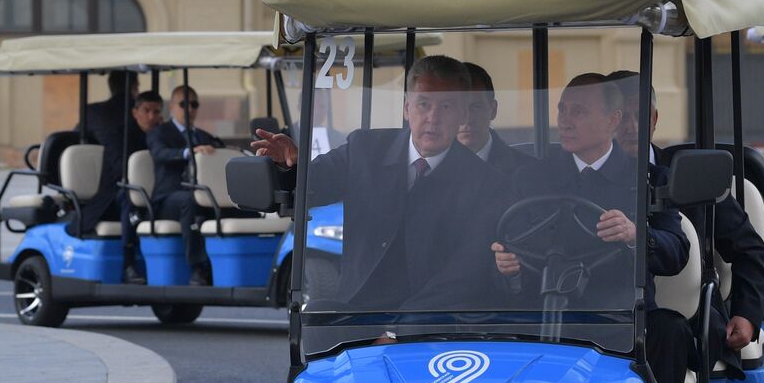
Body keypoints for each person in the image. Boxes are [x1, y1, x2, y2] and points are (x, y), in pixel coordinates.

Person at [493, 73, 693, 383]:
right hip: (543, 310)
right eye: (562, 110)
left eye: (579, 112)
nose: (566, 121)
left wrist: (635, 234)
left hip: (620, 314)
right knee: (485, 328)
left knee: (671, 331)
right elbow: (506, 247)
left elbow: (676, 252)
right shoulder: (531, 177)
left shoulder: (646, 179)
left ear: (612, 120)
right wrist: (507, 268)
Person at [251, 55, 505, 309]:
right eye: (423, 105)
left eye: (446, 107)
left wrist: (395, 331)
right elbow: (315, 183)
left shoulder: (484, 183)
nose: (433, 117)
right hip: (357, 316)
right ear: (407, 108)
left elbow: (461, 277)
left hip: (432, 325)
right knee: (315, 316)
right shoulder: (365, 149)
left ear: (462, 114)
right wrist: (290, 165)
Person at [608, 70, 764, 381]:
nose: (629, 127)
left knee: (669, 334)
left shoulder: (689, 174)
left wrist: (747, 314)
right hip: (606, 316)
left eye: (638, 116)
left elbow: (748, 247)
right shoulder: (584, 180)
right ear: (606, 121)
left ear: (654, 119)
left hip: (687, 316)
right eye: (620, 118)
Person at [147, 85, 230, 286]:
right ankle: (198, 266)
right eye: (184, 104)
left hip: (202, 194)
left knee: (234, 202)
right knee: (190, 201)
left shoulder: (203, 136)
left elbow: (222, 150)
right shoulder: (160, 133)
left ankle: (228, 263)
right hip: (169, 198)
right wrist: (189, 152)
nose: (190, 109)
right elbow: (160, 153)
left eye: (194, 104)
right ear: (172, 107)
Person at [76, 71, 139, 242]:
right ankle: (129, 260)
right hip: (119, 186)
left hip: (108, 187)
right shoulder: (141, 112)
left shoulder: (93, 112)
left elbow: (73, 139)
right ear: (135, 88)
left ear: (111, 87)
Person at [118, 90, 163, 284]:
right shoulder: (122, 134)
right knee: (130, 200)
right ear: (135, 112)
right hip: (119, 189)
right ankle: (128, 263)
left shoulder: (162, 133)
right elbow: (118, 167)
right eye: (146, 111)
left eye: (156, 112)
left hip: (155, 189)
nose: (151, 117)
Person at [458, 61, 533, 174]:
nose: (467, 119)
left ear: (493, 110)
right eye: (458, 108)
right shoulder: (426, 169)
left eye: (476, 107)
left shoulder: (530, 171)